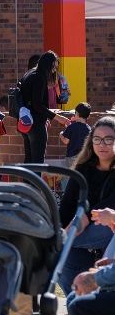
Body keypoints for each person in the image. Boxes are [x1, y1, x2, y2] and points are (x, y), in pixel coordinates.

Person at [57, 116, 115, 294]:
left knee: (59, 244)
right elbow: (67, 204)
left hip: (108, 228)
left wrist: (84, 219)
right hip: (83, 232)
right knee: (63, 256)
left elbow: (110, 203)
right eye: (97, 139)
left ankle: (56, 243)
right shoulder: (83, 168)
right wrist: (61, 227)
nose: (102, 144)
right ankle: (76, 305)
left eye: (109, 139)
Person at [20, 51, 71, 163]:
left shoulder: (29, 74)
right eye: (53, 66)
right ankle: (35, 181)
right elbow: (38, 105)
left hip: (25, 121)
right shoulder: (39, 78)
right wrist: (59, 118)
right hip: (36, 124)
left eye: (56, 67)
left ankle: (26, 181)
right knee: (37, 161)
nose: (54, 70)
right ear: (46, 64)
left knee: (28, 161)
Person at [60, 102, 92, 168]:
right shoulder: (89, 128)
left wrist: (61, 134)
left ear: (77, 113)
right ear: (88, 116)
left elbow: (66, 141)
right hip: (83, 157)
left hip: (71, 156)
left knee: (69, 176)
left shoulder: (71, 127)